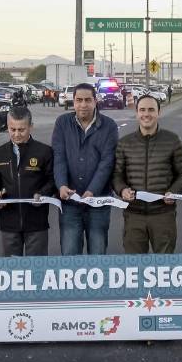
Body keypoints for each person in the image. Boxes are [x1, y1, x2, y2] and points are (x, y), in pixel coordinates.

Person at [113, 94, 182, 254]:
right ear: (137, 113)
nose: (146, 114)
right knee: (135, 268)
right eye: (142, 110)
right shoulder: (125, 143)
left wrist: (174, 192)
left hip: (163, 214)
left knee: (164, 267)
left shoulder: (172, 140)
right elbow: (116, 174)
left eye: (151, 110)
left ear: (158, 112)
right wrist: (122, 190)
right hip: (134, 215)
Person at [51, 82, 119, 255]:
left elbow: (107, 162)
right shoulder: (62, 123)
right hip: (70, 203)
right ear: (73, 101)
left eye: (88, 100)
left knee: (97, 255)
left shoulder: (109, 126)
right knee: (70, 254)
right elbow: (59, 157)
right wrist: (61, 185)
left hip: (98, 202)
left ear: (96, 101)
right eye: (79, 100)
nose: (83, 104)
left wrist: (92, 190)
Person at [0, 105, 56, 256]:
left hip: (36, 223)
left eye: (21, 129)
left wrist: (42, 194)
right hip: (8, 224)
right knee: (12, 272)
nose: (17, 134)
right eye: (12, 129)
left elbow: (52, 181)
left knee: (36, 269)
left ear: (31, 127)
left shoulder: (44, 151)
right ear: (7, 127)